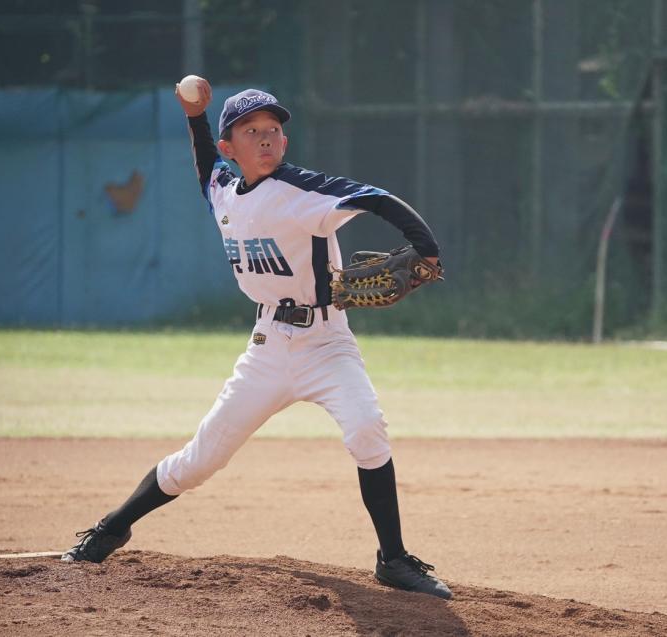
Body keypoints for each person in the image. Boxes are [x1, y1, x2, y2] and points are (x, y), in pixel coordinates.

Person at [61, 77, 451, 600]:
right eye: (251, 132)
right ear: (230, 148)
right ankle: (111, 528)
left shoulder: (304, 191)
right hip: (267, 346)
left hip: (327, 343)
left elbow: (380, 200)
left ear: (284, 143)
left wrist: (425, 252)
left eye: (273, 131)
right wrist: (195, 116)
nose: (266, 139)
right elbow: (204, 165)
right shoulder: (224, 188)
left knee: (367, 429)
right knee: (200, 460)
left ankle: (394, 559)